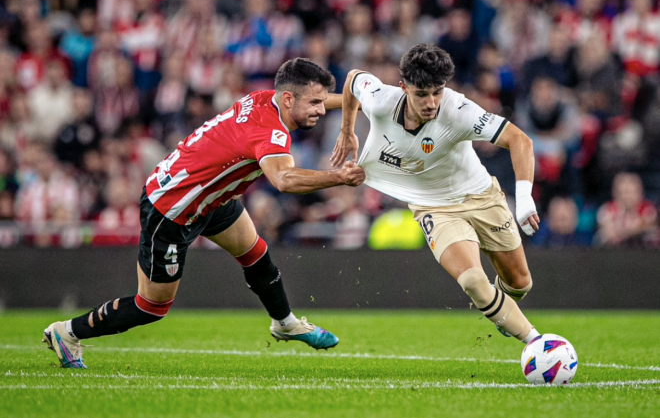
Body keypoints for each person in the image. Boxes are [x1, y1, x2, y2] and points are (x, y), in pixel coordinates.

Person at [43, 58, 366, 369]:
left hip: (210, 198)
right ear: (287, 98)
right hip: (172, 208)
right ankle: (67, 332)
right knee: (152, 306)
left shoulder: (264, 99)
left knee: (254, 252)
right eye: (315, 104)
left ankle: (285, 323)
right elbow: (283, 180)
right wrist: (338, 177)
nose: (321, 111)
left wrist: (361, 103)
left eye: (322, 103)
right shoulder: (269, 132)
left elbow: (317, 102)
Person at [331, 43, 541, 344]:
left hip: (481, 196)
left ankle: (504, 309)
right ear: (403, 88)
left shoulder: (459, 111)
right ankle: (538, 342)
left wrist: (524, 200)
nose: (431, 102)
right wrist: (346, 129)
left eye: (437, 91)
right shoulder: (381, 101)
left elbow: (520, 140)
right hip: (434, 206)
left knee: (520, 284)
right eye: (421, 94)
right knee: (472, 279)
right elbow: (352, 79)